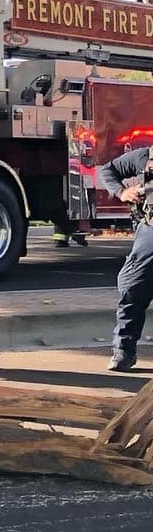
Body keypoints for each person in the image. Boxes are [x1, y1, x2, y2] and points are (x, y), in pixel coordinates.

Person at [97, 143, 153, 372]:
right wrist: (123, 192)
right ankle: (123, 351)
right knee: (132, 287)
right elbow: (107, 170)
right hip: (151, 230)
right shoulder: (144, 156)